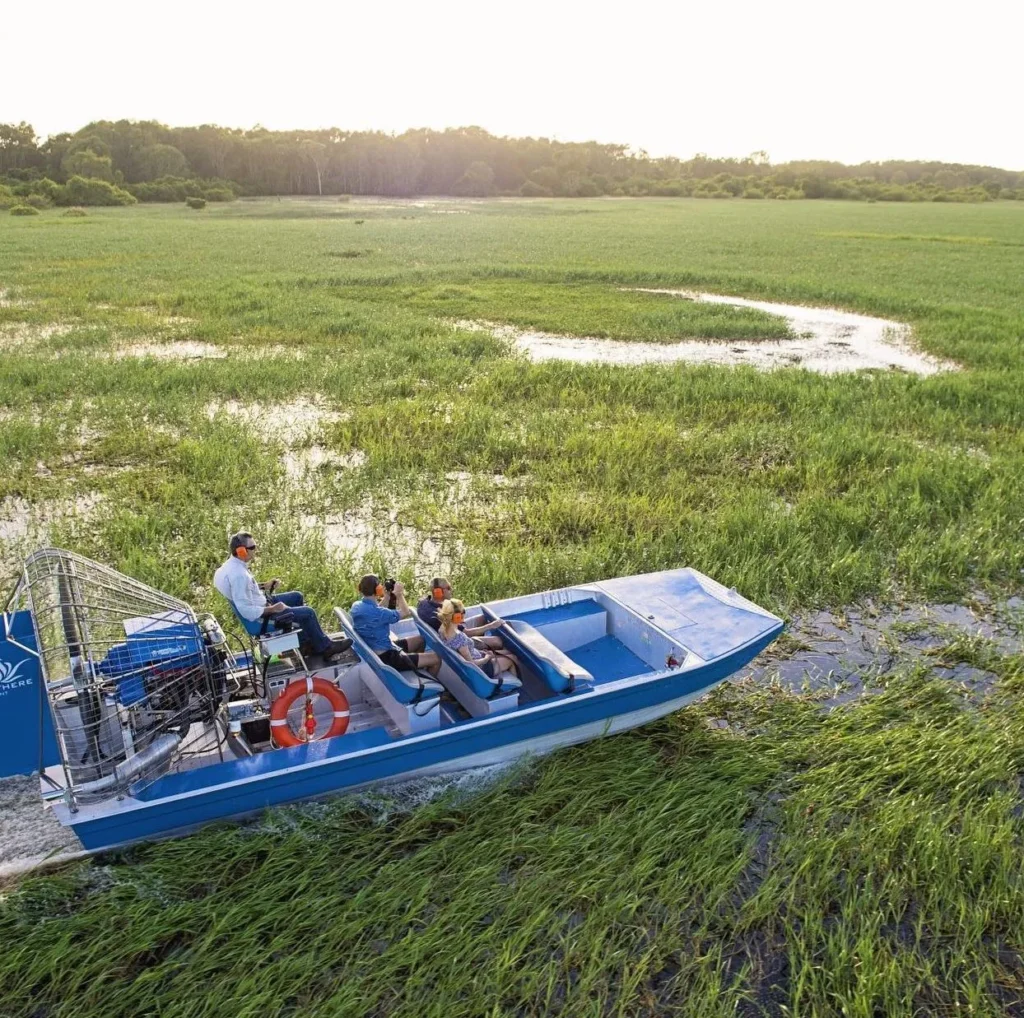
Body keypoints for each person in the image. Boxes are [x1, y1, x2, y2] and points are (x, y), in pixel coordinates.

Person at [213, 532, 351, 662]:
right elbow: (246, 611)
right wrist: (273, 609)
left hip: (262, 603)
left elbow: (244, 590)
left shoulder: (229, 567)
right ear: (241, 551)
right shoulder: (239, 576)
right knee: (308, 613)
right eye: (253, 547)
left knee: (297, 597)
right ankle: (326, 648)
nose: (256, 550)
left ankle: (305, 645)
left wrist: (263, 586)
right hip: (261, 619)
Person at [350, 575, 441, 676]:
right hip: (388, 658)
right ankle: (429, 681)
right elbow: (406, 612)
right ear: (378, 590)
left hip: (378, 651)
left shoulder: (357, 606)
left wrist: (387, 597)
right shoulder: (381, 613)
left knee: (421, 640)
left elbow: (375, 612)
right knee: (437, 659)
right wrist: (399, 594)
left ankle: (416, 665)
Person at [438, 599, 519, 679]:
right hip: (481, 668)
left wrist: (482, 653)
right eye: (463, 612)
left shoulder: (442, 629)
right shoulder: (459, 638)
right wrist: (486, 658)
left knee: (507, 652)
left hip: (478, 656)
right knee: (513, 659)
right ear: (457, 616)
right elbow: (471, 664)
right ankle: (515, 688)